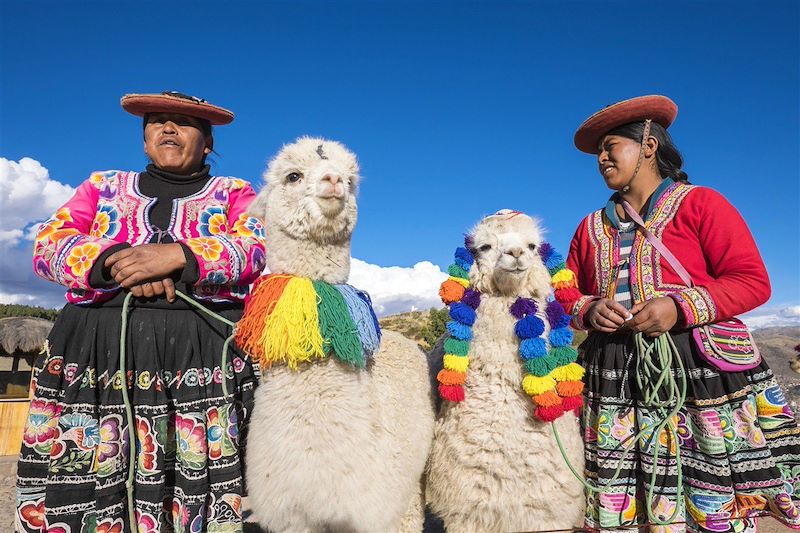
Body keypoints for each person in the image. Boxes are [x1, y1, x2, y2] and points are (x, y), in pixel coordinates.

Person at [16, 91, 266, 532]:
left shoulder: (236, 194)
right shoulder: (101, 187)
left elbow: (259, 248)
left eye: (184, 123)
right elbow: (47, 245)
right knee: (86, 466)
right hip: (95, 355)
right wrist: (121, 261)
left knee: (191, 483)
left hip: (199, 354)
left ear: (207, 142)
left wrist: (177, 257)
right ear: (145, 140)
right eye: (157, 122)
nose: (168, 129)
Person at [560, 95, 800, 532]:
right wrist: (589, 308)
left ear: (648, 145)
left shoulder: (701, 204)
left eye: (612, 145)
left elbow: (751, 281)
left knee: (707, 493)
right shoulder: (589, 227)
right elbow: (563, 293)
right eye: (598, 151)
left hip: (696, 370)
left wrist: (678, 306)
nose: (602, 158)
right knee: (621, 493)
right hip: (614, 375)